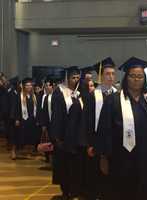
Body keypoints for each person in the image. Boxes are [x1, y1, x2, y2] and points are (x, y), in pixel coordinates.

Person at [97, 56, 147, 200]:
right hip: (120, 160)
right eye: (133, 76)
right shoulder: (113, 101)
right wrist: (103, 157)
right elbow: (104, 130)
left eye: (140, 76)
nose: (137, 79)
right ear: (126, 78)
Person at [83, 57, 117, 200]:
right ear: (101, 76)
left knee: (112, 174)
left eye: (113, 74)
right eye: (107, 74)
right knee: (96, 173)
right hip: (97, 140)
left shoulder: (119, 95)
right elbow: (87, 122)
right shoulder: (92, 96)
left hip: (114, 141)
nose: (110, 77)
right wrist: (89, 143)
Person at [49, 66, 84, 200]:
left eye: (77, 78)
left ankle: (74, 190)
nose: (75, 80)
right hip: (63, 136)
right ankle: (65, 191)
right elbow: (56, 115)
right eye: (72, 78)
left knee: (74, 166)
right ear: (67, 78)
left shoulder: (79, 92)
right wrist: (56, 137)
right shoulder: (59, 92)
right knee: (64, 166)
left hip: (76, 136)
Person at [14, 78, 40, 158]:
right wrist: (17, 119)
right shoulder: (19, 96)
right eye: (27, 85)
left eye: (30, 85)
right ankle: (22, 151)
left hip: (32, 119)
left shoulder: (35, 96)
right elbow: (16, 108)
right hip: (23, 119)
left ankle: (30, 151)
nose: (29, 87)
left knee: (31, 135)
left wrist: (37, 119)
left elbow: (38, 109)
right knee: (23, 135)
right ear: (24, 86)